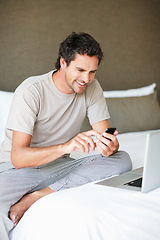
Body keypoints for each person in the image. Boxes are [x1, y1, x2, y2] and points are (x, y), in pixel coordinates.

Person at [0, 32, 132, 240]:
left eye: (92, 72)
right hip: (17, 171)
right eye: (80, 70)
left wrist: (110, 146)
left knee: (122, 159)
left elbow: (105, 136)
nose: (86, 79)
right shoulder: (31, 90)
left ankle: (38, 195)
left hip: (58, 168)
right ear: (63, 62)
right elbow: (18, 158)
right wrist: (67, 147)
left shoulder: (92, 87)